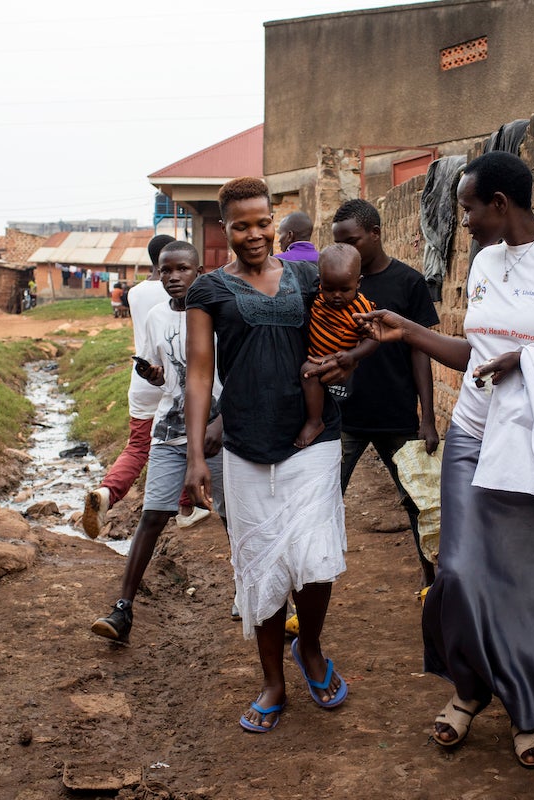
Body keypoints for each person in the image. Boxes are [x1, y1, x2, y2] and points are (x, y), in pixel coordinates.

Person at [354, 151, 534, 769]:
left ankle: (528, 713)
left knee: (530, 587)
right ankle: (472, 689)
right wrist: (405, 330)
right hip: (475, 439)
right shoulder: (482, 263)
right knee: (459, 574)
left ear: (500, 205)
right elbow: (474, 352)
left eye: (470, 208)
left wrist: (529, 363)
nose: (466, 221)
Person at [183, 177, 351, 733]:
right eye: (241, 226)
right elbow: (201, 376)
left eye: (262, 224)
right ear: (225, 227)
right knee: (259, 565)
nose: (254, 235)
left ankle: (312, 649)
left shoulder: (307, 277)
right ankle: (273, 680)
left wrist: (348, 361)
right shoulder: (208, 291)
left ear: (274, 224)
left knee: (314, 555)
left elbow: (346, 324)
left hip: (313, 438)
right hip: (247, 445)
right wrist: (195, 456)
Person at [92, 241, 226, 644]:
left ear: (198, 271)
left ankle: (257, 596)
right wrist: (153, 376)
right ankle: (123, 609)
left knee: (236, 517)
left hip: (219, 429)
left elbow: (237, 371)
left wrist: (225, 419)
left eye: (182, 269)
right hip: (170, 428)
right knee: (153, 514)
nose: (173, 277)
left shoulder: (219, 313)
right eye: (165, 270)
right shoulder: (154, 316)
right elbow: (166, 376)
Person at [331, 198, 441, 587]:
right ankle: (307, 591)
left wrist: (426, 418)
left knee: (419, 503)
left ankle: (431, 586)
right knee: (322, 503)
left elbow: (420, 352)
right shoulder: (334, 283)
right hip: (343, 418)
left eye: (354, 241)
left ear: (376, 234)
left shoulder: (408, 282)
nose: (347, 251)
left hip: (396, 416)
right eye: (339, 244)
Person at [83, 236, 207, 537]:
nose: (174, 277)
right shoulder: (189, 289)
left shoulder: (136, 293)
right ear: (164, 264)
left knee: (139, 446)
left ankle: (108, 492)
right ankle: (186, 506)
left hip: (145, 377)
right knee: (188, 441)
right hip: (183, 382)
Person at [296, 243, 376, 448]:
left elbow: (373, 338)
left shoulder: (361, 309)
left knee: (308, 372)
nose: (336, 296)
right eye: (329, 288)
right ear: (320, 282)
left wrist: (353, 356)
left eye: (344, 289)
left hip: (337, 363)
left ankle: (315, 422)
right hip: (315, 354)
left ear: (358, 283)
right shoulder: (317, 297)